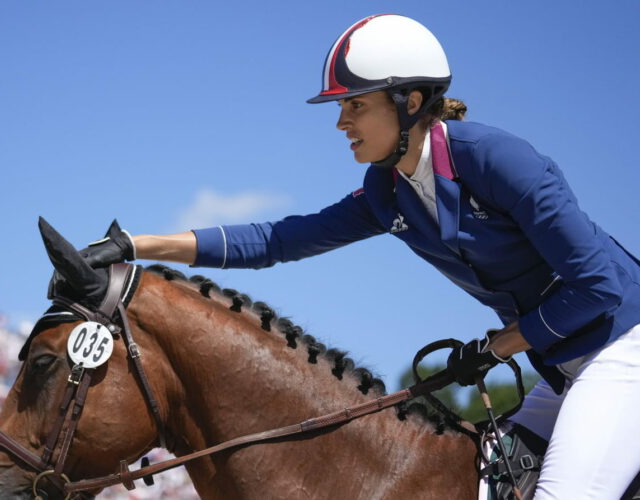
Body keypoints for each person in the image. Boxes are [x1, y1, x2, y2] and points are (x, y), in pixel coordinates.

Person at [75, 14, 640, 500]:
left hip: (625, 348)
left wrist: (501, 346)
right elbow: (279, 239)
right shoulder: (387, 191)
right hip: (565, 368)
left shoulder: (502, 162)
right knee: (484, 484)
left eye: (355, 106)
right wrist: (137, 245)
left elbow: (598, 289)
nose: (341, 122)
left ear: (410, 102)